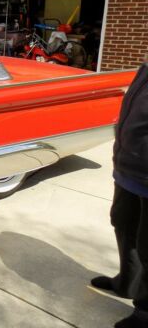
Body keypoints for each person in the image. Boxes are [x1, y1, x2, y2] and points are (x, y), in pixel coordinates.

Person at [91, 61, 148, 328]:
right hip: (128, 168)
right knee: (123, 224)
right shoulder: (146, 67)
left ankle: (145, 312)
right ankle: (126, 283)